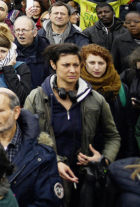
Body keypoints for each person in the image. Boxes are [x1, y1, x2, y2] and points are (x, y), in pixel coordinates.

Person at [24, 43, 121, 205]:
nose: (72, 70)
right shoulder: (35, 98)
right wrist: (54, 161)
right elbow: (27, 138)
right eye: (66, 65)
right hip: (47, 175)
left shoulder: (96, 99)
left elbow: (113, 137)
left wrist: (103, 159)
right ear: (53, 65)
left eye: (76, 65)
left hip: (84, 179)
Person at [14, 15, 51, 89]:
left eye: (24, 30)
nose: (20, 33)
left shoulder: (48, 52)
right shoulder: (9, 51)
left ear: (34, 32)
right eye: (17, 30)